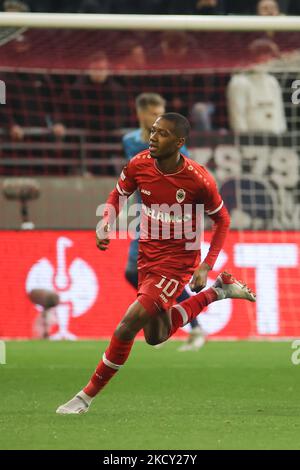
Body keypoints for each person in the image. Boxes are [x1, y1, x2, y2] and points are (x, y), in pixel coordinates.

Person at [56, 113, 256, 415]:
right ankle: (218, 292)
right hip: (148, 256)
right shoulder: (139, 164)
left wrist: (205, 265)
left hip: (178, 260)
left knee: (127, 326)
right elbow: (117, 194)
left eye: (162, 134)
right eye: (152, 131)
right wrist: (105, 222)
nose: (152, 137)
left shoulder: (198, 179)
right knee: (155, 336)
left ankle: (85, 397)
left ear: (179, 143)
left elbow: (222, 220)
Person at [123, 93, 206, 351]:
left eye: (162, 111)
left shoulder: (177, 145)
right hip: (143, 217)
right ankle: (162, 324)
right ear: (140, 113)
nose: (157, 117)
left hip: (170, 218)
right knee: (134, 273)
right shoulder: (129, 141)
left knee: (152, 274)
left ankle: (189, 326)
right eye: (153, 113)